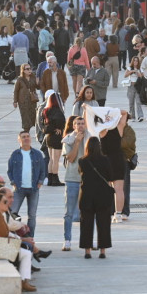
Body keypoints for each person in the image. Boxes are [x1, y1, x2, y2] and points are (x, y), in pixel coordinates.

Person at [0, 192, 37, 292]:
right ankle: (24, 282)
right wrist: (22, 240)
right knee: (26, 253)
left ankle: (24, 281)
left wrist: (22, 240)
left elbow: (5, 234)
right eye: (5, 202)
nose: (7, 204)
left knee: (25, 252)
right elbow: (4, 235)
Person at [78, 138, 114, 259]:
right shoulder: (105, 160)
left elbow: (80, 174)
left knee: (86, 224)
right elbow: (110, 176)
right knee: (103, 223)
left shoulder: (82, 161)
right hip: (103, 195)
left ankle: (87, 251)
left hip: (87, 195)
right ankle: (102, 251)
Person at [7, 130, 47, 237]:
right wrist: (13, 183)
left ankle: (30, 238)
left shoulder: (37, 154)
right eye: (23, 137)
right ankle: (13, 236)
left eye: (28, 136)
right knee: (13, 213)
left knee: (32, 216)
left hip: (34, 189)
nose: (26, 138)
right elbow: (9, 171)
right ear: (19, 139)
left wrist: (40, 182)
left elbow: (43, 170)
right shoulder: (15, 154)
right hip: (19, 189)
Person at [60, 115, 87, 251]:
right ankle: (67, 239)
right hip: (72, 178)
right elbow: (70, 158)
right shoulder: (68, 140)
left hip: (87, 179)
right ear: (74, 126)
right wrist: (76, 142)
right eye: (78, 123)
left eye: (83, 123)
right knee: (69, 212)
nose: (81, 125)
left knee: (88, 213)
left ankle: (88, 240)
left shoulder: (90, 138)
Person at [42, 91, 66, 186]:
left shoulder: (46, 111)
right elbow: (61, 123)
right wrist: (59, 128)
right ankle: (55, 179)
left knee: (51, 159)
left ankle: (50, 178)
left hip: (48, 137)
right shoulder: (58, 112)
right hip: (56, 137)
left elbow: (45, 124)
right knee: (56, 160)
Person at [13, 63, 40, 132]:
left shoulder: (33, 77)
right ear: (23, 70)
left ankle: (36, 130)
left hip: (32, 100)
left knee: (33, 115)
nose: (29, 70)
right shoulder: (20, 79)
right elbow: (16, 91)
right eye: (27, 69)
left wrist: (38, 83)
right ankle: (26, 131)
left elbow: (38, 88)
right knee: (25, 116)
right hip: (23, 102)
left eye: (30, 68)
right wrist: (15, 101)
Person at [124, 55, 144, 121]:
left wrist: (137, 72)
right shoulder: (129, 68)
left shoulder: (140, 68)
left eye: (137, 61)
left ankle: (140, 116)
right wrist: (132, 71)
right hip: (131, 86)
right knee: (131, 102)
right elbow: (125, 75)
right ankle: (132, 116)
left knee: (138, 102)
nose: (135, 62)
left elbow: (141, 77)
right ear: (132, 61)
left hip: (137, 87)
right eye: (134, 60)